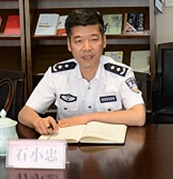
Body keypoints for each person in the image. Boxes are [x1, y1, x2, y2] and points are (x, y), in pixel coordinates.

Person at [18, 9, 146, 135]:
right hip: (69, 144)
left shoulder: (121, 74)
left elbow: (139, 116)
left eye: (94, 39)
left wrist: (87, 119)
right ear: (69, 44)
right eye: (79, 41)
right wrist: (38, 122)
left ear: (104, 41)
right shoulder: (56, 74)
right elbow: (25, 113)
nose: (87, 48)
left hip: (110, 145)